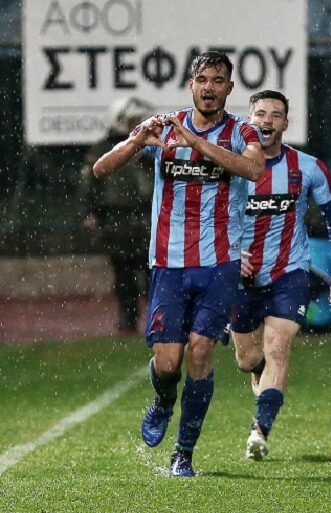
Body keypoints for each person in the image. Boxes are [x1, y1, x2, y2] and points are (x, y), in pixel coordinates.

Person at [92, 51, 264, 476]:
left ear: (230, 88)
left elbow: (253, 169)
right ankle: (164, 398)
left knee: (200, 353)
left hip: (219, 264)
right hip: (168, 263)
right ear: (191, 85)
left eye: (218, 80)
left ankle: (183, 453)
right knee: (168, 363)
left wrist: (198, 144)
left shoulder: (242, 131)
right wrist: (137, 141)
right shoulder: (166, 127)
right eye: (202, 79)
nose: (209, 87)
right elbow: (100, 169)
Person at [230, 90, 331, 460]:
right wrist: (231, 253)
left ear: (285, 123)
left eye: (275, 114)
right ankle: (261, 375)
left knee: (279, 346)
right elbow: (207, 215)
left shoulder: (308, 167)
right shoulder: (230, 164)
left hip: (290, 272)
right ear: (248, 120)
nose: (267, 120)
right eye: (260, 113)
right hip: (240, 276)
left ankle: (260, 431)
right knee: (247, 360)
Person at [80, 97, 154, 333]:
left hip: (145, 216)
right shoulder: (102, 149)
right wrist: (89, 212)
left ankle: (159, 317)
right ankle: (128, 318)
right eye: (132, 119)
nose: (137, 122)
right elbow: (89, 182)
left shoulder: (146, 147)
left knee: (153, 271)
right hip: (115, 218)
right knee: (123, 272)